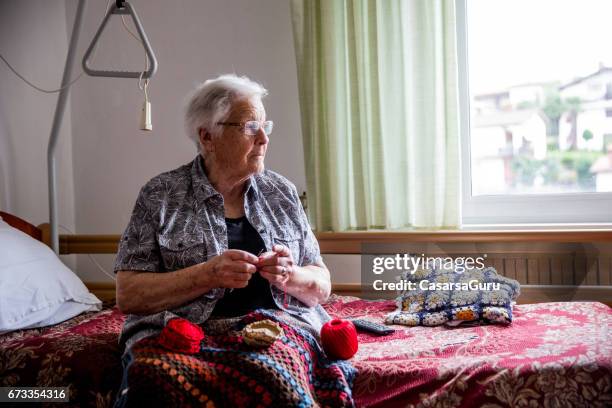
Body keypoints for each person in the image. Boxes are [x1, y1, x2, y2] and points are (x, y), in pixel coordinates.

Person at [113, 74, 353, 407]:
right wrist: (206, 275)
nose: (265, 138)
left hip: (273, 327)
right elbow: (128, 294)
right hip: (180, 330)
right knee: (152, 376)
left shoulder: (280, 192)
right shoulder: (160, 195)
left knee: (274, 371)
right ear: (207, 136)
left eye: (265, 125)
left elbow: (321, 283)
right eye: (250, 127)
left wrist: (290, 275)